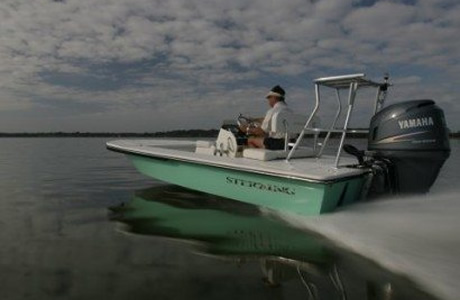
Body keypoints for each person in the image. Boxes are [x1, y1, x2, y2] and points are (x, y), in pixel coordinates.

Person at [240, 85, 292, 149]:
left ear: (274, 97)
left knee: (251, 139)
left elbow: (261, 131)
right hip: (291, 144)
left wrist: (246, 129)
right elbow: (269, 120)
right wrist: (254, 120)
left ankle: (257, 157)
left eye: (269, 97)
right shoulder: (290, 111)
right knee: (265, 139)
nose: (268, 100)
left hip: (279, 144)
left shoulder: (272, 111)